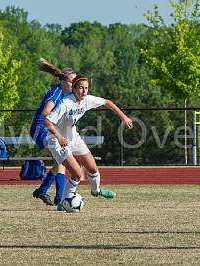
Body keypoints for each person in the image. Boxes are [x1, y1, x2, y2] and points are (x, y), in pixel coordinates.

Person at [44, 75, 133, 210]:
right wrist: (59, 137)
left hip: (73, 138)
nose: (84, 91)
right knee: (78, 174)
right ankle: (63, 202)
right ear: (73, 88)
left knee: (92, 168)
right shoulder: (66, 103)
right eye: (80, 88)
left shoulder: (87, 100)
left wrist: (124, 117)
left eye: (86, 88)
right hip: (56, 141)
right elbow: (47, 121)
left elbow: (107, 102)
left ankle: (96, 190)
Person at [30, 58, 76, 206]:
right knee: (61, 159)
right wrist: (57, 134)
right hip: (41, 129)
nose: (74, 84)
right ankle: (59, 197)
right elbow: (45, 113)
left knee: (60, 161)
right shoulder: (57, 92)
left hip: (47, 130)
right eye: (71, 82)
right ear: (63, 81)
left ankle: (45, 191)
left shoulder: (66, 94)